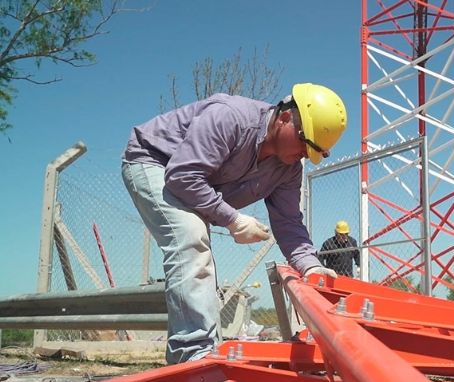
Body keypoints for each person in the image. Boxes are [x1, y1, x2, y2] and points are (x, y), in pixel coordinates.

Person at [121, 83, 345, 364]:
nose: (304, 154)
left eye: (315, 152)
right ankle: (192, 355)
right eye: (304, 142)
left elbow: (289, 223)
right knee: (190, 236)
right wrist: (233, 219)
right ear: (286, 117)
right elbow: (183, 176)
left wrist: (310, 266)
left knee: (198, 244)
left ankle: (205, 350)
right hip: (155, 161)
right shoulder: (230, 118)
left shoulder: (287, 169)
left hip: (188, 177)